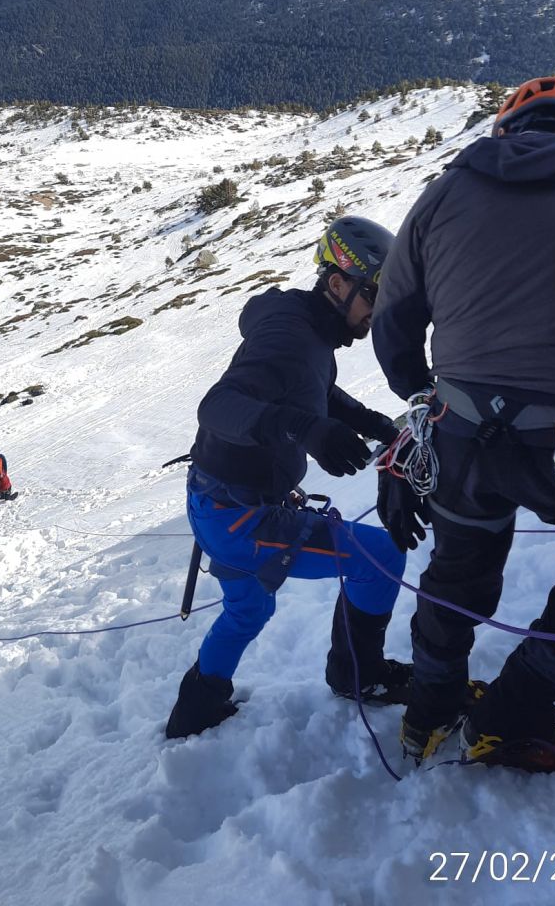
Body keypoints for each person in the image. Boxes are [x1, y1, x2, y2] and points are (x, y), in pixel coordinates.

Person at [372, 76, 555, 773]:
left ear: (506, 129)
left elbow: (394, 317)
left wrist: (424, 396)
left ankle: (429, 710)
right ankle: (513, 711)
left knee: (457, 570)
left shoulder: (444, 191)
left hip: (461, 433)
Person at [165, 217, 410, 740]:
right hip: (237, 516)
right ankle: (358, 674)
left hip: (217, 501)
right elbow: (218, 406)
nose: (379, 309)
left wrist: (371, 424)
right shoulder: (291, 337)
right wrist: (307, 429)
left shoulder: (304, 324)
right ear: (337, 283)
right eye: (374, 294)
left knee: (248, 609)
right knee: (381, 558)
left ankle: (195, 709)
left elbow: (310, 387)